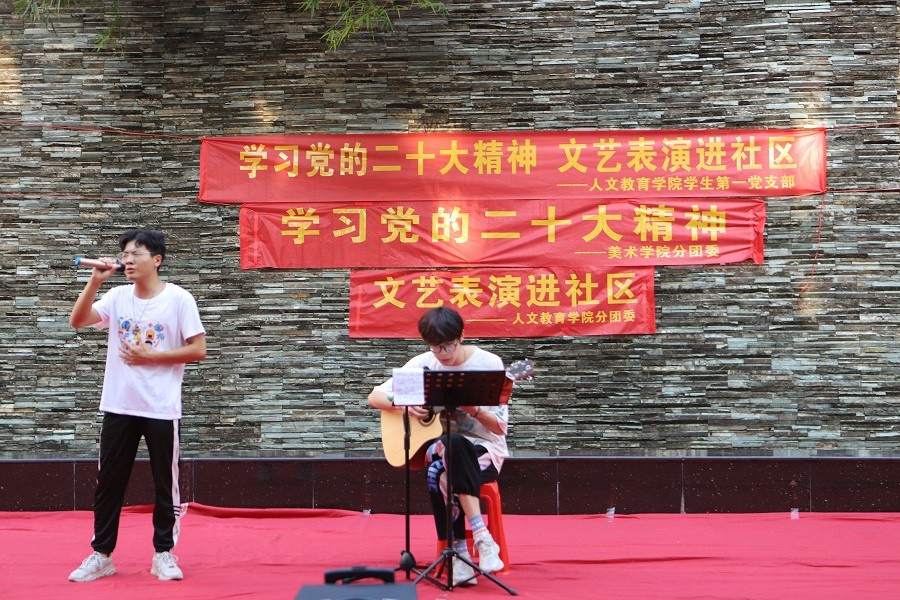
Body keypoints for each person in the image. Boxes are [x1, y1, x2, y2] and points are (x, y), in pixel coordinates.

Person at [67, 229, 207, 583]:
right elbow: (78, 320)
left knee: (165, 484)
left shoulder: (179, 299)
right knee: (108, 483)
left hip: (160, 407)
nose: (128, 260)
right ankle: (102, 555)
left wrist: (151, 357)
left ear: (157, 260)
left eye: (136, 253)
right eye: (125, 254)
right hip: (119, 404)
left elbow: (198, 349)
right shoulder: (116, 296)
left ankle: (164, 553)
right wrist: (95, 281)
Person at [368, 306, 508, 587]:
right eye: (434, 347)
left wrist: (474, 409)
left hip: (483, 451)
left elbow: (499, 427)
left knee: (439, 468)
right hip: (442, 449)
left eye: (447, 346)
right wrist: (404, 405)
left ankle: (460, 553)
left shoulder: (488, 364)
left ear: (461, 336)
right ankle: (481, 540)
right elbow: (374, 397)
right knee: (447, 446)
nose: (441, 354)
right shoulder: (423, 364)